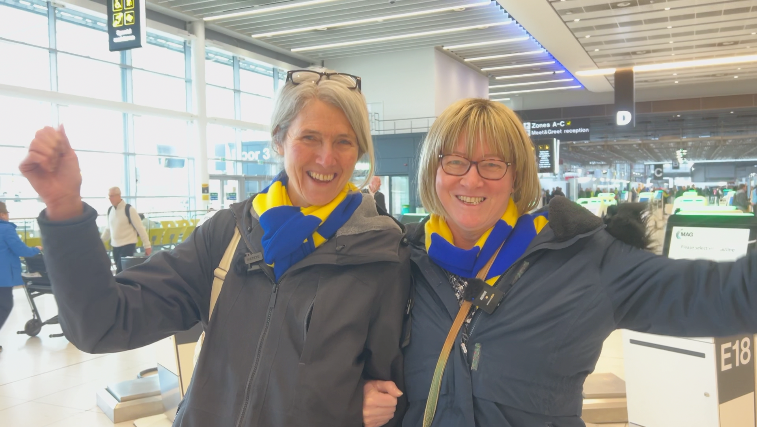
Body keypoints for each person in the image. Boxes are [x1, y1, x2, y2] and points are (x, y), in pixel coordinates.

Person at [21, 69, 411, 427]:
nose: (326, 158)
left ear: (358, 151)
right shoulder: (229, 235)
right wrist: (64, 208)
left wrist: (356, 407)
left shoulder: (380, 253)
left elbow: (391, 389)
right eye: (309, 137)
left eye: (343, 141)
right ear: (279, 138)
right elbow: (104, 324)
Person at [364, 98, 757, 427]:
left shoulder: (585, 259)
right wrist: (358, 395)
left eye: (492, 164)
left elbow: (723, 295)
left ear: (515, 176)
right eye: (455, 162)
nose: (471, 180)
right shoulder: (402, 261)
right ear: (435, 171)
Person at [0, 201, 41, 352]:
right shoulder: (6, 229)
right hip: (2, 276)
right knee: (5, 305)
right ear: (3, 214)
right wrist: (35, 249)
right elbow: (20, 249)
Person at [101, 187, 151, 273]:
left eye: (112, 196)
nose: (110, 198)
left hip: (128, 245)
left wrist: (147, 245)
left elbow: (140, 228)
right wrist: (99, 242)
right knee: (119, 270)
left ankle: (120, 286)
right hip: (115, 246)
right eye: (109, 196)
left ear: (119, 196)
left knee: (121, 271)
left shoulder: (129, 209)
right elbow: (108, 229)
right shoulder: (110, 210)